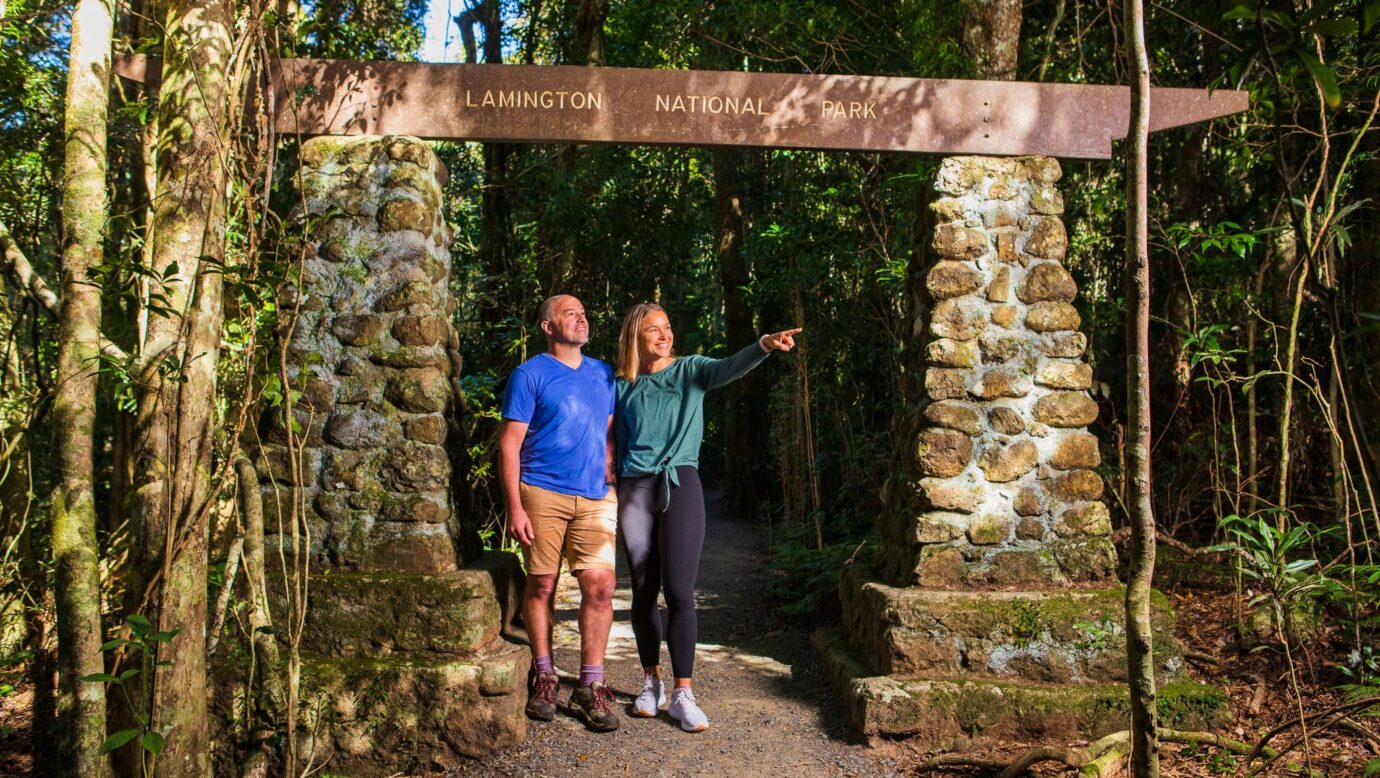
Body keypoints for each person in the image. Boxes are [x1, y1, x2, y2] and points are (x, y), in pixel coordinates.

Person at [613, 302, 800, 732]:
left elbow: (729, 367)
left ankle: (683, 693)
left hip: (680, 483)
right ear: (635, 337)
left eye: (668, 327)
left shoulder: (691, 370)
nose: (665, 335)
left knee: (679, 590)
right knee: (643, 590)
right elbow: (613, 440)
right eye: (654, 330)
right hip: (635, 489)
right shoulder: (620, 384)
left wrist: (764, 345)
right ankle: (650, 683)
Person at [499, 294, 620, 732]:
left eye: (584, 313)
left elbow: (607, 432)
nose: (582, 319)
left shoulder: (604, 373)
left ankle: (590, 685)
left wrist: (610, 477)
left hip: (594, 496)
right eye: (571, 313)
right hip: (541, 492)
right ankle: (545, 674)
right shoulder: (529, 374)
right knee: (542, 584)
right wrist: (515, 506)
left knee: (601, 585)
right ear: (548, 327)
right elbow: (510, 442)